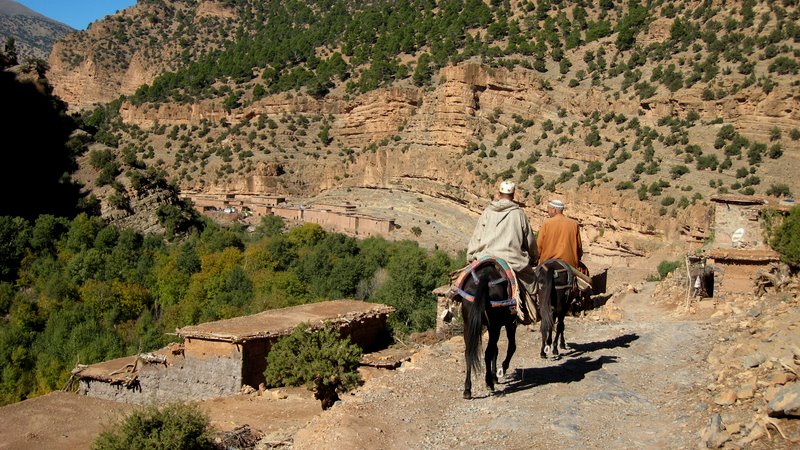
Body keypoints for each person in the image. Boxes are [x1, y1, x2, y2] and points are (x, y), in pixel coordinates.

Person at [466, 180, 537, 321]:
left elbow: (477, 236)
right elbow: (529, 239)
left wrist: (470, 255)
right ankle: (531, 312)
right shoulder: (519, 214)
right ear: (513, 195)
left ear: (499, 194)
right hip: (512, 259)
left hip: (485, 256)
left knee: (464, 277)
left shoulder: (488, 211)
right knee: (532, 282)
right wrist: (534, 256)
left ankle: (453, 300)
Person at [536, 199, 583, 271]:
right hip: (570, 265)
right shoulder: (574, 224)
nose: (548, 212)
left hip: (546, 264)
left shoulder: (546, 224)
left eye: (548, 209)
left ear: (554, 210)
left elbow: (539, 246)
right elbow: (579, 248)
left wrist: (537, 258)